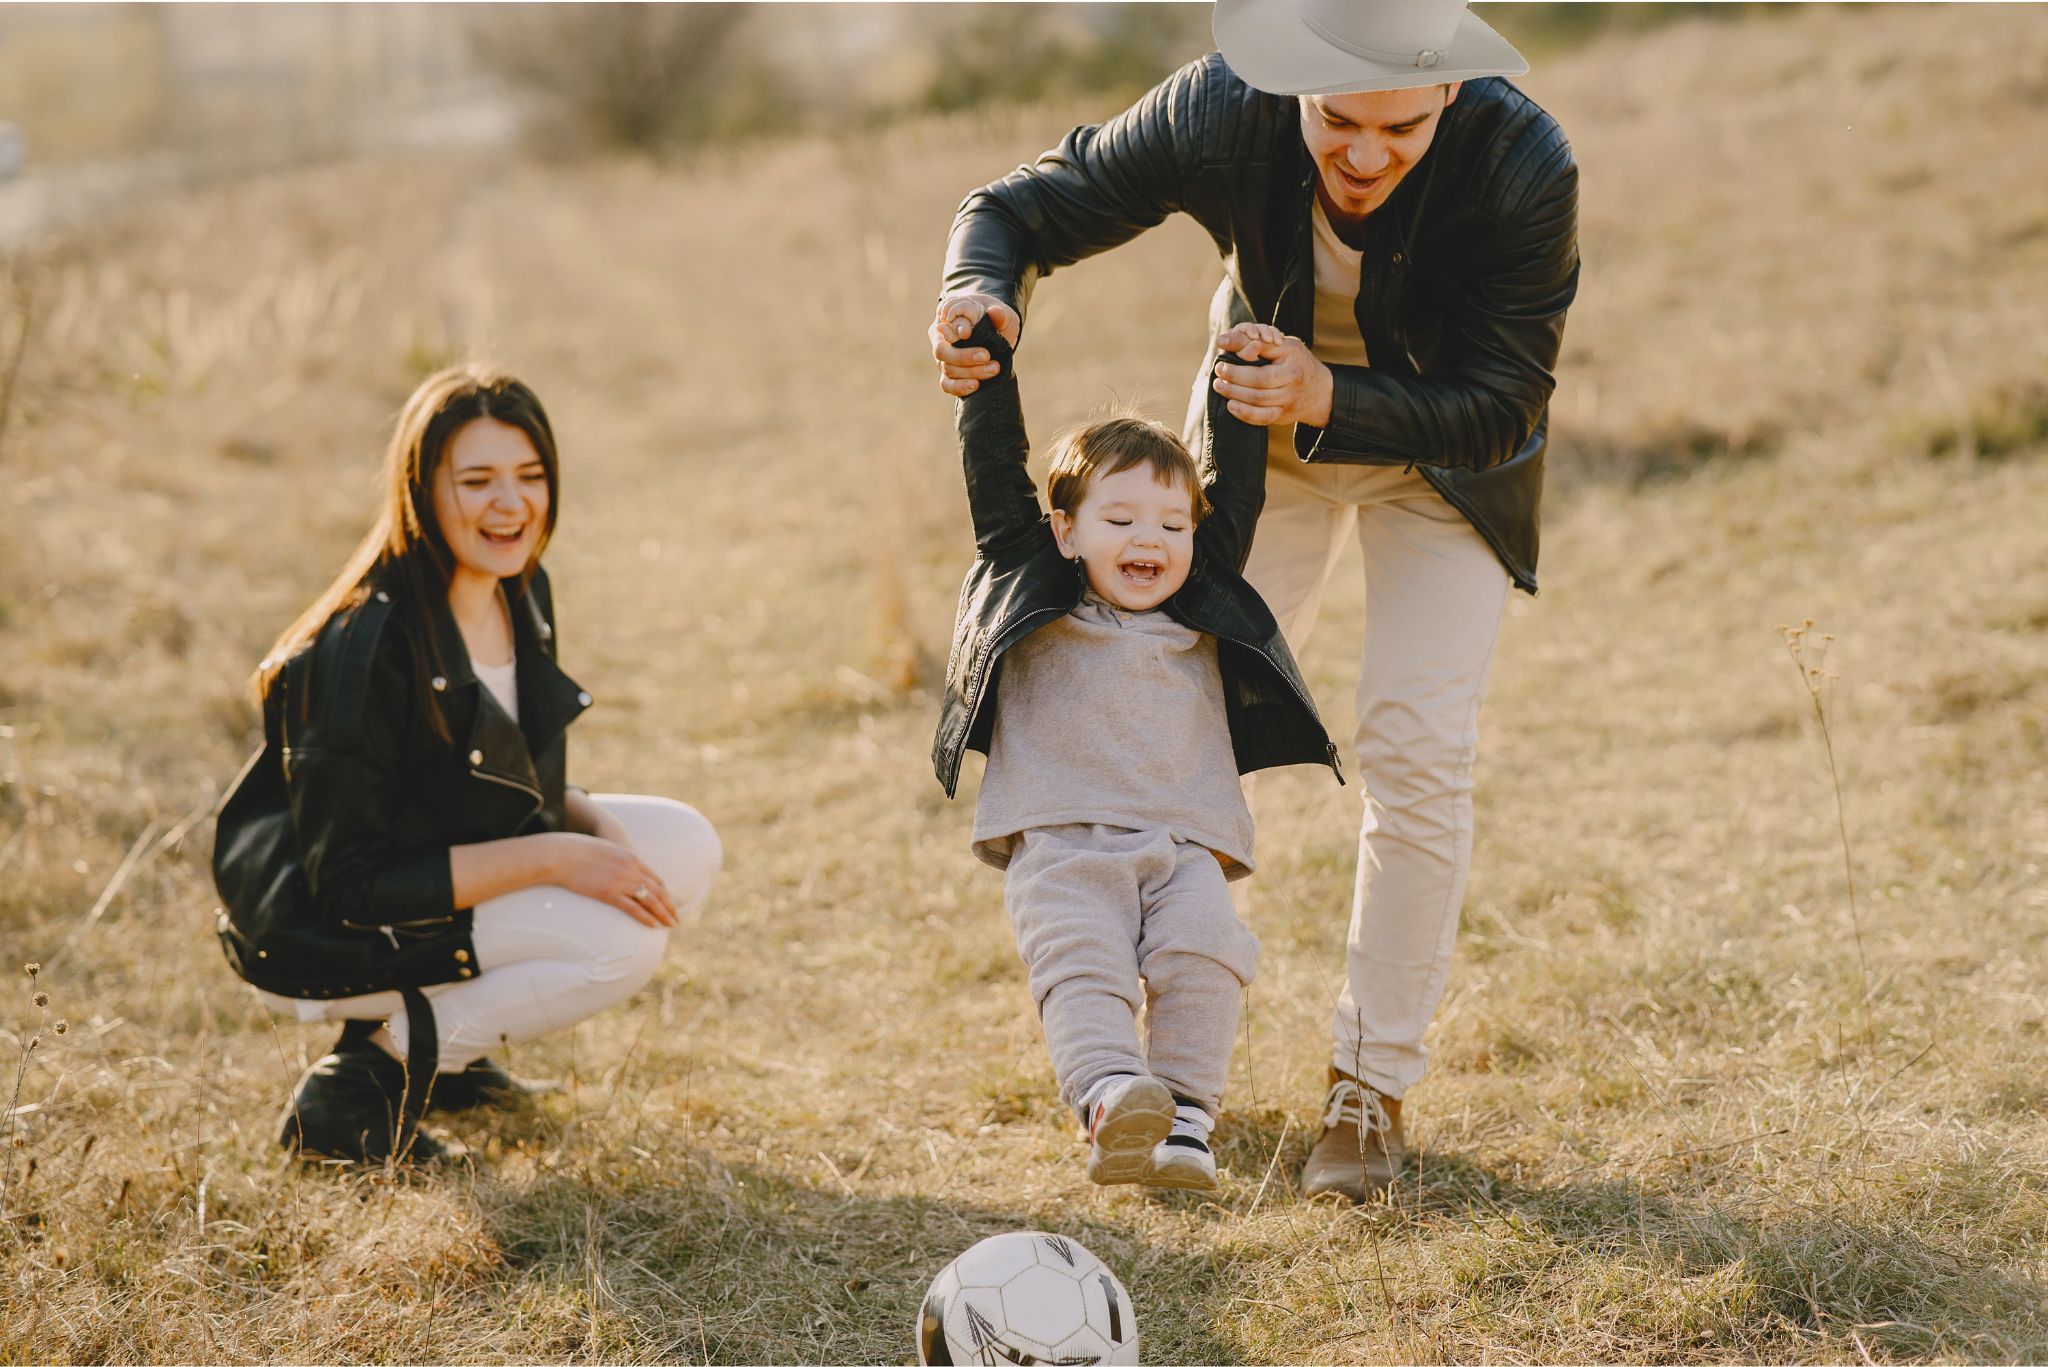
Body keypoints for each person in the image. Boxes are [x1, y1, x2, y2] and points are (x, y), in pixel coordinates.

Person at [929, 0, 1579, 1200]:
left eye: (1398, 126)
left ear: (1448, 94)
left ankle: (1367, 1086)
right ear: (1291, 86)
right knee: (1169, 708)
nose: (1365, 154)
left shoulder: (1521, 160)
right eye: (1337, 120)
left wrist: (1331, 387)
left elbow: (1503, 401)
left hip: (1444, 466)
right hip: (1248, 452)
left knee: (1413, 745)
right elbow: (1018, 206)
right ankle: (1131, 1070)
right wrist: (980, 292)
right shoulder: (1220, 106)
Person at [211, 364, 721, 1163]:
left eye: (530, 476)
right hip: (323, 926)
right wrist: (560, 855)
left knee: (686, 845)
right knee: (621, 944)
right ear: (422, 490)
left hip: (421, 881)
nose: (510, 504)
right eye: (477, 480)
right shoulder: (362, 647)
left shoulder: (520, 589)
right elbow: (347, 881)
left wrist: (587, 818)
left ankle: (449, 1060)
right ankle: (361, 1084)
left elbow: (479, 781)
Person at [935, 310, 1338, 1191]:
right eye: (1119, 518)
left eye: (1171, 524)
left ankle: (1187, 1119)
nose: (1149, 540)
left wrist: (1242, 366)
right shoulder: (1034, 583)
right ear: (1066, 531)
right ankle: (1114, 1099)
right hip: (1062, 840)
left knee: (1205, 957)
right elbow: (995, 476)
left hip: (1183, 841)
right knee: (1084, 965)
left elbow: (1236, 485)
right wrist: (987, 375)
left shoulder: (1203, 602)